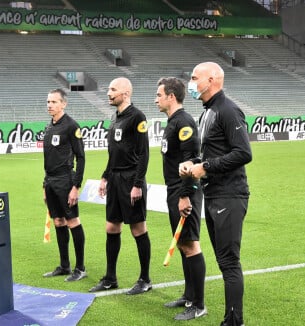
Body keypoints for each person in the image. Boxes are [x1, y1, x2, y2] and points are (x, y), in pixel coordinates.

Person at [179, 62, 252, 326]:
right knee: (224, 262)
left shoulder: (228, 110)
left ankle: (234, 322)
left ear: (211, 80)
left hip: (230, 195)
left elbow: (244, 153)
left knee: (230, 263)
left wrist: (205, 167)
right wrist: (194, 163)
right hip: (213, 195)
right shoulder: (207, 112)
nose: (191, 82)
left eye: (195, 77)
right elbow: (212, 153)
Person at [89, 77, 152, 295]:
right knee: (111, 227)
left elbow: (144, 154)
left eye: (113, 89)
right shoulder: (115, 117)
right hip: (115, 180)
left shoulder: (137, 116)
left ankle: (145, 279)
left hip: (130, 180)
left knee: (138, 228)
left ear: (125, 93)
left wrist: (137, 185)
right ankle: (110, 278)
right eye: (108, 89)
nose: (108, 93)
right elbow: (113, 153)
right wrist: (105, 177)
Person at [155, 77, 207, 320]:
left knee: (191, 244)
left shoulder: (184, 122)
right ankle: (188, 296)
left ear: (171, 96)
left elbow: (192, 160)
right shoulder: (173, 122)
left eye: (159, 95)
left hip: (184, 190)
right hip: (174, 189)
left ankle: (199, 304)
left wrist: (185, 194)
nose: (156, 99)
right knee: (184, 244)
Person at [42, 88, 87, 282]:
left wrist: (75, 186)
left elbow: (81, 157)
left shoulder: (71, 126)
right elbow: (48, 159)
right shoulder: (49, 127)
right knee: (58, 222)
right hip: (51, 182)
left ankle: (80, 267)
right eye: (48, 102)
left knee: (72, 222)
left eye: (54, 102)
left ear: (63, 104)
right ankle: (65, 266)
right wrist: (45, 185)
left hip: (66, 181)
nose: (50, 105)